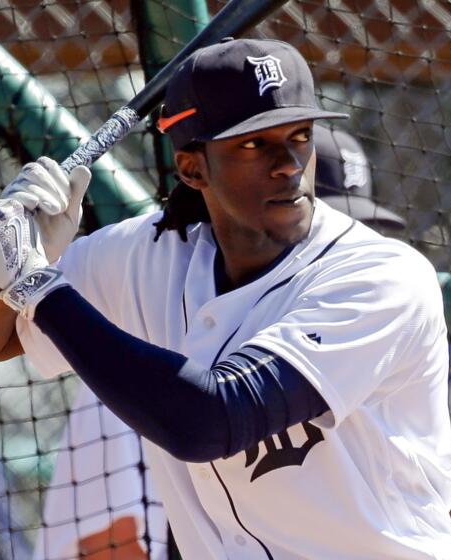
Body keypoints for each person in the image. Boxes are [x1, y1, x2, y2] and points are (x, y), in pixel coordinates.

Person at [0, 38, 451, 559]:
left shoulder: (380, 276)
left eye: (299, 136)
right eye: (254, 144)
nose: (288, 163)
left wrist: (36, 285)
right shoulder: (145, 255)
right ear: (193, 168)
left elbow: (209, 421)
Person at [33, 124, 409, 560]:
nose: (341, 253)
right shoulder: (139, 351)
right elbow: (105, 546)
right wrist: (31, 286)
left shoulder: (371, 320)